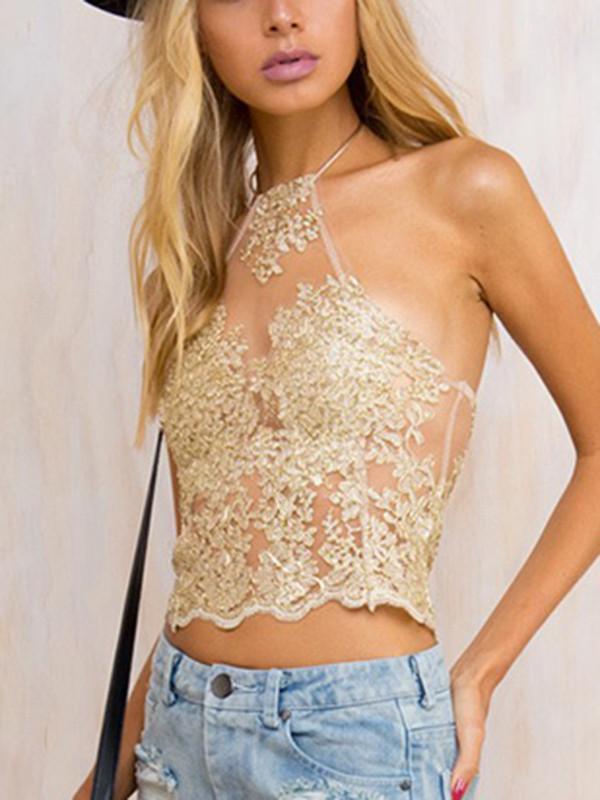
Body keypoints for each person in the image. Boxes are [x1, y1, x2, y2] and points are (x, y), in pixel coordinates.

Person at [74, 1, 600, 799]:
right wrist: (100, 781)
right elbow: (206, 572)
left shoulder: (465, 190)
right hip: (177, 743)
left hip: (354, 745)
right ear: (190, 25)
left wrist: (482, 672)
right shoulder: (195, 256)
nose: (282, 17)